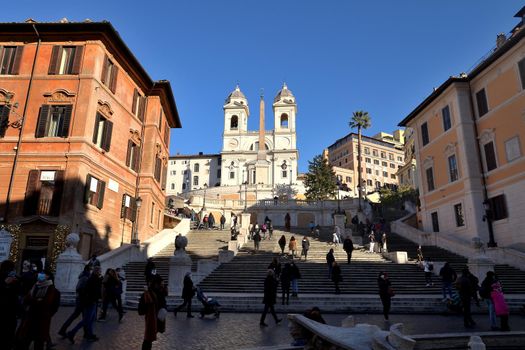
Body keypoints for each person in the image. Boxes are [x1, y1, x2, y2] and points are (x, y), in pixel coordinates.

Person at [16, 269, 61, 350]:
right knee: (26, 340)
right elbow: (26, 299)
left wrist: (34, 301)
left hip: (42, 319)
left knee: (39, 343)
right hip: (30, 317)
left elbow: (47, 303)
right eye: (40, 273)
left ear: (48, 276)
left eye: (43, 274)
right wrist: (36, 300)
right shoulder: (35, 285)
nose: (40, 275)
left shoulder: (52, 289)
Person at [67, 265, 102, 343]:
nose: (100, 272)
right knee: (86, 320)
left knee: (91, 319)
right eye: (99, 271)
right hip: (90, 302)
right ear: (97, 271)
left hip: (92, 302)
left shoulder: (93, 279)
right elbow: (94, 291)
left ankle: (90, 334)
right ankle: (72, 333)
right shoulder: (94, 279)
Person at [58, 265, 90, 338]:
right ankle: (86, 333)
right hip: (82, 301)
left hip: (80, 300)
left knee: (78, 317)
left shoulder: (83, 277)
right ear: (88, 270)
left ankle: (63, 330)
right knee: (85, 318)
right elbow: (79, 289)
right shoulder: (85, 278)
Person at [138, 274, 168, 350]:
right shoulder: (149, 292)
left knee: (149, 338)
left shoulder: (160, 291)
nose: (162, 284)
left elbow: (163, 303)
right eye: (160, 283)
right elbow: (141, 309)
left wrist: (163, 309)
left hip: (158, 317)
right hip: (151, 318)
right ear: (156, 283)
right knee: (148, 338)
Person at [0, 260, 20, 350]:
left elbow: (16, 295)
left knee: (9, 332)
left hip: (11, 311)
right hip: (4, 311)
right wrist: (5, 284)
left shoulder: (15, 279)